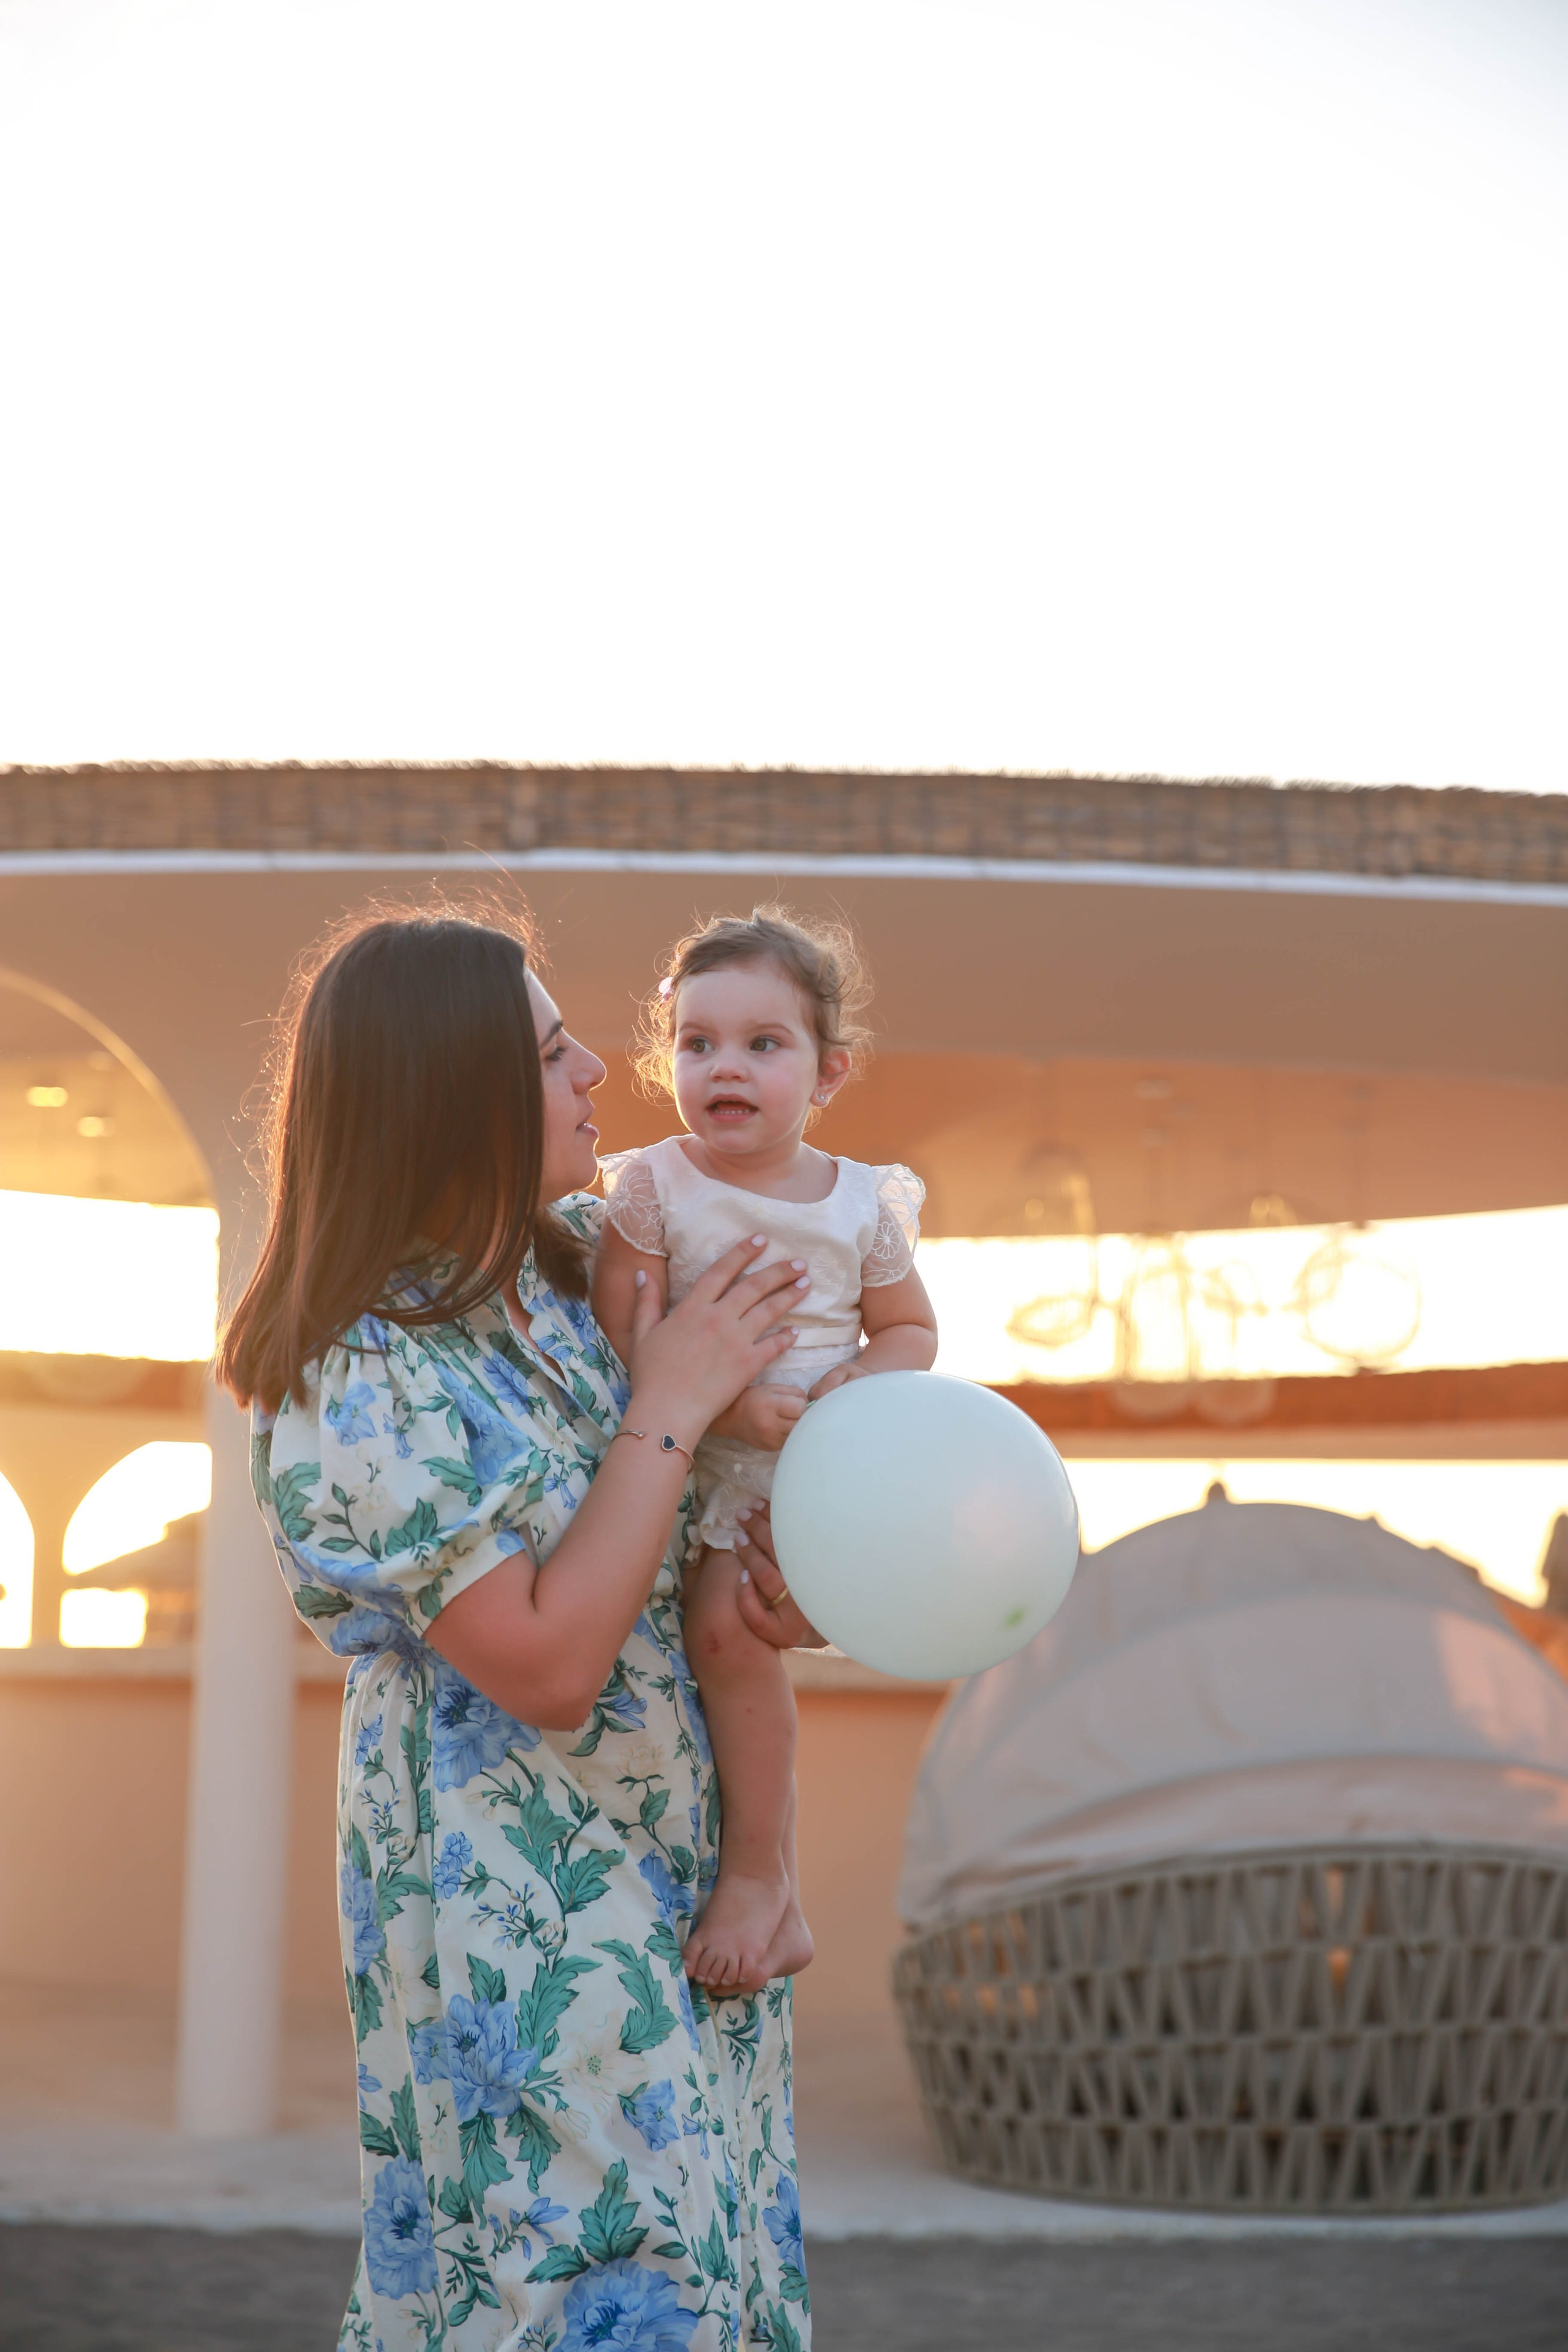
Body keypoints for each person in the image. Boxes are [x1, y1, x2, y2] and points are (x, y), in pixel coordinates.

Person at [219, 902, 821, 2352]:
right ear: (456, 1096)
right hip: (516, 1904)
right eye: (553, 1056)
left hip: (678, 1874)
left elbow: (685, 1518)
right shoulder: (358, 1366)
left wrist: (781, 1581)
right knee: (580, 2290)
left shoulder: (582, 1268)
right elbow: (546, 1664)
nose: (598, 1075)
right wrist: (670, 1401)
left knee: (712, 2265)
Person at [594, 908, 938, 1995]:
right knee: (722, 1637)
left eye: (763, 1043)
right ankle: (765, 1882)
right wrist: (731, 1412)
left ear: (829, 1071)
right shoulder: (655, 1185)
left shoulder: (861, 1203)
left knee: (740, 1633)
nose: (725, 1067)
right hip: (710, 1457)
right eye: (697, 1043)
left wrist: (850, 1390)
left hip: (823, 1474)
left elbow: (910, 1332)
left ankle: (759, 1879)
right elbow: (624, 1338)